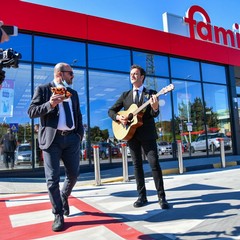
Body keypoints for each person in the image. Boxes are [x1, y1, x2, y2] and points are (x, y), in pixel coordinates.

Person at [28, 62, 84, 232]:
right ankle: (58, 214)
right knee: (52, 179)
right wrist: (50, 104)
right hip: (52, 140)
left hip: (72, 139)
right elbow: (31, 111)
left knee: (74, 174)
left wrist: (79, 135)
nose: (72, 76)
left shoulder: (73, 93)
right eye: (70, 73)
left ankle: (63, 196)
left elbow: (78, 115)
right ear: (60, 73)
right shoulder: (44, 89)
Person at [108, 64, 170, 209]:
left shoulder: (151, 93)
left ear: (142, 77)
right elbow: (111, 111)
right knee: (137, 166)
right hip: (131, 134)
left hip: (147, 134)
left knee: (154, 164)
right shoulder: (125, 95)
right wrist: (119, 117)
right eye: (131, 74)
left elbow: (155, 114)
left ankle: (162, 197)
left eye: (135, 74)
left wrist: (155, 108)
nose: (132, 76)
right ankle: (142, 197)